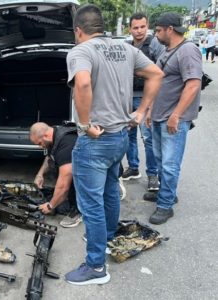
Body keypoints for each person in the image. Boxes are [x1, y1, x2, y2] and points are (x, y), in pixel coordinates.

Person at [64, 4, 163, 285]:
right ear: (101, 27)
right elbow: (157, 74)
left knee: (91, 204)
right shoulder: (126, 49)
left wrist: (84, 124)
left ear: (79, 30)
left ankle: (96, 267)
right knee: (108, 190)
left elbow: (83, 85)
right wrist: (141, 111)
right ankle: (106, 237)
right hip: (120, 136)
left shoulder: (81, 51)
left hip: (96, 140)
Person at [144, 13, 202, 225]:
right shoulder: (167, 51)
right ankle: (167, 193)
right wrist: (150, 110)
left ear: (170, 29)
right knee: (160, 160)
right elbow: (158, 83)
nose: (155, 34)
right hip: (160, 116)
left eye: (158, 30)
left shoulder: (188, 51)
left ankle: (165, 205)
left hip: (173, 119)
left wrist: (176, 115)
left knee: (169, 164)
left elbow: (193, 84)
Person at [122, 13, 165, 192]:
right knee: (128, 135)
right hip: (127, 97)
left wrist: (153, 101)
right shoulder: (126, 46)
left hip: (146, 97)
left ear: (147, 27)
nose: (139, 31)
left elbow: (162, 70)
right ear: (130, 29)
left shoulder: (154, 44)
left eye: (142, 27)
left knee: (148, 138)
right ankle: (133, 167)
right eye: (135, 27)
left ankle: (153, 174)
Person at [29, 122, 81, 228]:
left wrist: (50, 206)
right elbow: (50, 156)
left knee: (70, 181)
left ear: (46, 136)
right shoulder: (54, 134)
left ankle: (79, 211)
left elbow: (64, 184)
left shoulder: (66, 144)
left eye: (39, 143)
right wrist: (40, 175)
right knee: (60, 202)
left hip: (94, 170)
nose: (40, 147)